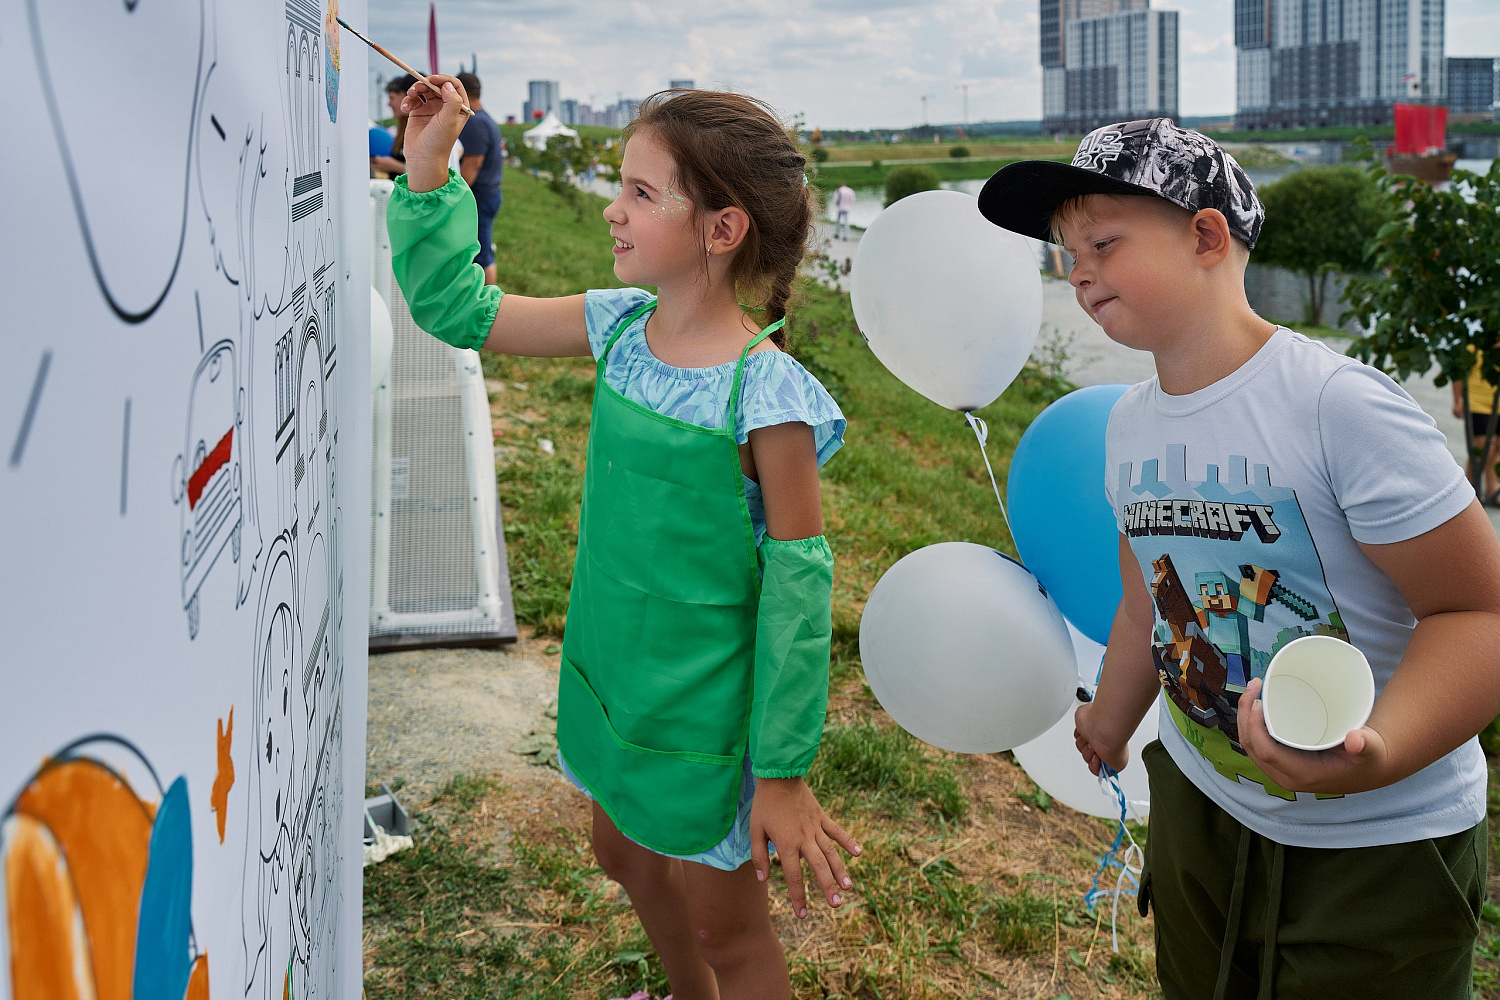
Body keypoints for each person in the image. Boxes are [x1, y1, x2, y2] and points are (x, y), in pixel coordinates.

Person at [980, 119, 1500, 1000]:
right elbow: (1148, 602)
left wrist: (1375, 753)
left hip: (1377, 845)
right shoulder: (1128, 426)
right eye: (1067, 253)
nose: (1078, 272)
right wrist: (1111, 721)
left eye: (1103, 244)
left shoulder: (1336, 408)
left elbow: (1479, 614)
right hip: (1202, 808)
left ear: (1207, 236)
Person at [386, 78, 858, 999]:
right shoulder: (617, 327)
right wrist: (429, 162)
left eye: (641, 193)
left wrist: (782, 773)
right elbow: (457, 309)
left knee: (730, 930)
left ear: (722, 230)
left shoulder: (768, 397)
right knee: (623, 854)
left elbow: (800, 598)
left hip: (707, 715)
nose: (613, 208)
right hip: (613, 673)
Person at [454, 71, 503, 286]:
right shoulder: (486, 119)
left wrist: (455, 197)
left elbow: (471, 166)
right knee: (483, 250)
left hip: (480, 198)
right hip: (489, 194)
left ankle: (489, 299)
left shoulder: (475, 122)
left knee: (482, 255)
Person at [1451, 350, 1500, 504]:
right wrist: (1457, 400)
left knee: (1497, 450)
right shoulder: (1476, 345)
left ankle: (1492, 490)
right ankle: (1468, 489)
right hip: (1477, 403)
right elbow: (1459, 372)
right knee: (1482, 449)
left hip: (1498, 404)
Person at [369, 75, 416, 177]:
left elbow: (425, 172)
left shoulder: (419, 131)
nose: (389, 104)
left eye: (392, 98)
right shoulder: (403, 129)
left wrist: (394, 166)